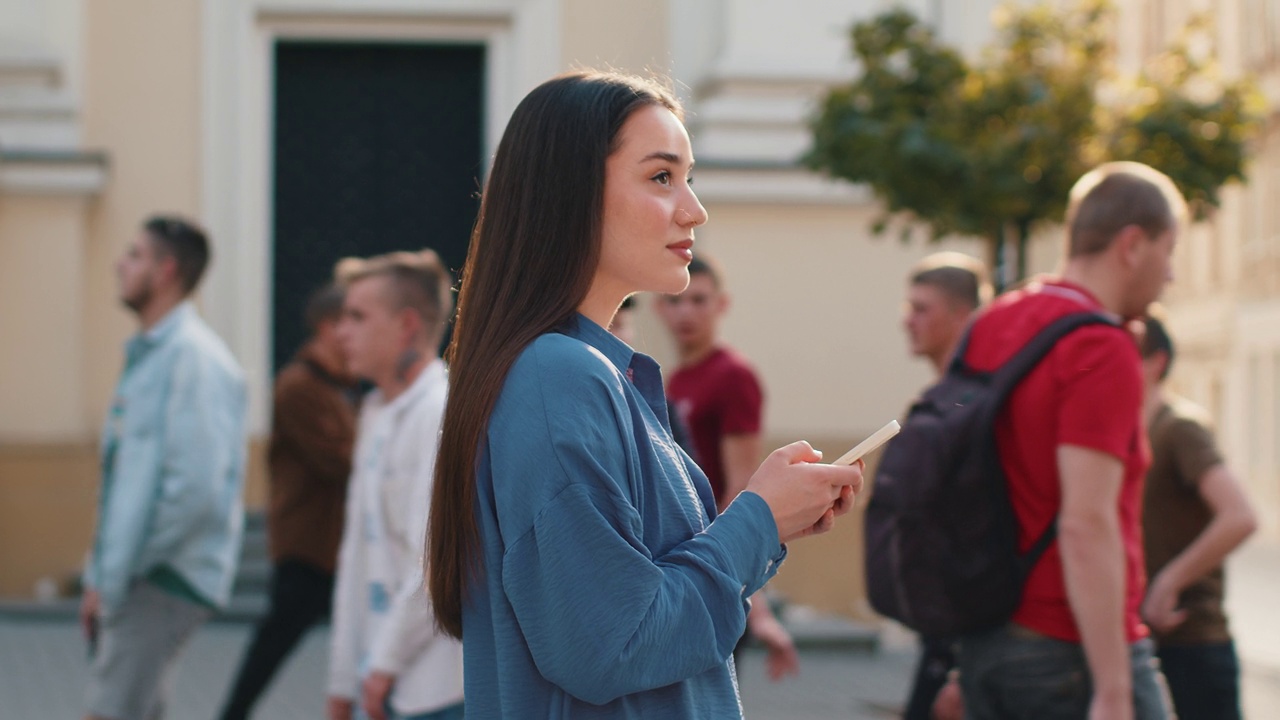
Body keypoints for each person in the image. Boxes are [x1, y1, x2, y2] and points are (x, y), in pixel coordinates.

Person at [426, 70, 863, 718]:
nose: (694, 208)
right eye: (661, 177)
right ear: (569, 193)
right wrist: (757, 520)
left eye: (688, 177)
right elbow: (613, 645)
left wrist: (762, 522)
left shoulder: (575, 370)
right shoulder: (559, 376)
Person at [954, 162, 1184, 720]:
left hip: (987, 638)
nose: (1171, 274)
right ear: (1132, 245)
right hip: (1069, 647)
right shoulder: (1100, 347)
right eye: (1168, 250)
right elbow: (1087, 523)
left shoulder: (996, 319)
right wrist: (1112, 689)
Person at [81, 215, 248, 720]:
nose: (119, 263)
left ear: (165, 271)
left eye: (134, 255)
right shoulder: (154, 354)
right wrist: (102, 576)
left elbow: (195, 489)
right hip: (138, 575)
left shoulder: (192, 359)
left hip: (158, 576)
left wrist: (124, 573)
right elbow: (123, 484)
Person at [326, 250, 464, 720]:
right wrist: (341, 682)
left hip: (437, 689)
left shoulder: (440, 412)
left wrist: (383, 665)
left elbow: (435, 560)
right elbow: (356, 561)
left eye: (356, 317)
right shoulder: (375, 412)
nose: (340, 331)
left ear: (406, 325)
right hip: (380, 683)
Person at [218, 283, 360, 720]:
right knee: (275, 642)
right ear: (325, 326)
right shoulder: (299, 386)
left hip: (335, 544)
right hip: (309, 544)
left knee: (346, 646)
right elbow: (342, 460)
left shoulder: (344, 385)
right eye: (348, 322)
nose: (354, 334)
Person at [655, 255, 799, 682]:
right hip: (685, 569)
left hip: (711, 572)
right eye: (676, 301)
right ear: (660, 309)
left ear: (721, 305)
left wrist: (750, 594)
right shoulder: (674, 380)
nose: (686, 312)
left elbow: (741, 487)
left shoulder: (733, 375)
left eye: (699, 300)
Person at [1139, 310, 1256, 720]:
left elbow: (1240, 516)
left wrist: (1170, 581)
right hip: (1141, 636)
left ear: (1154, 363)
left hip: (1193, 635)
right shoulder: (1124, 433)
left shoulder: (1179, 428)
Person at [897, 252, 990, 720]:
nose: (906, 321)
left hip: (965, 647)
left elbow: (979, 534)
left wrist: (961, 666)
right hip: (943, 642)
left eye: (921, 309)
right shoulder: (942, 402)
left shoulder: (973, 407)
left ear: (963, 316)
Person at [608, 295, 696, 459]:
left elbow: (686, 473)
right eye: (605, 327)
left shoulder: (652, 399)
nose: (612, 336)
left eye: (619, 325)